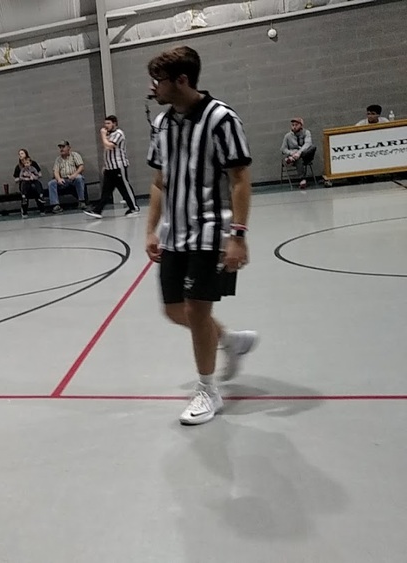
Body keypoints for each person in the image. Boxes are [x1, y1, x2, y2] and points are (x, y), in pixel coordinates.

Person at [144, 45, 259, 426]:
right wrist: (151, 230)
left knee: (196, 309)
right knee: (174, 310)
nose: (153, 88)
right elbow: (159, 181)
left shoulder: (221, 119)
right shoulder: (161, 124)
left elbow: (240, 178)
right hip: (174, 234)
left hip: (211, 231)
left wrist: (237, 235)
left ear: (181, 80)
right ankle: (231, 341)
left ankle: (208, 390)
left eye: (158, 81)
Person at [85, 115, 140, 218]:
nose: (106, 126)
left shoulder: (119, 133)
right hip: (109, 167)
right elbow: (106, 152)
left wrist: (102, 135)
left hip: (118, 166)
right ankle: (98, 210)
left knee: (124, 187)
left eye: (108, 123)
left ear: (114, 123)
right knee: (106, 190)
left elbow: (109, 146)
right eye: (105, 123)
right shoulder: (108, 134)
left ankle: (134, 208)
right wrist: (105, 166)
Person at [48, 141, 88, 212]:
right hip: (63, 179)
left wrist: (74, 175)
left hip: (73, 178)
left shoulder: (74, 155)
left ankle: (81, 201)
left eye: (63, 147)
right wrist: (59, 179)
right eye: (60, 147)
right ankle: (56, 205)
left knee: (79, 178)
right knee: (51, 183)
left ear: (68, 147)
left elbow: (81, 167)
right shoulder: (58, 159)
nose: (61, 149)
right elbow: (56, 171)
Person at [280, 117, 316, 189]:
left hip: (306, 155)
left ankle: (292, 159)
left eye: (296, 125)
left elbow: (308, 144)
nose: (294, 126)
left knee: (313, 147)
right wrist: (291, 152)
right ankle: (302, 180)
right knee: (299, 159)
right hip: (296, 157)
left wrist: (299, 153)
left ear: (301, 125)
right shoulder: (287, 136)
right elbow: (283, 149)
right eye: (293, 125)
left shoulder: (306, 132)